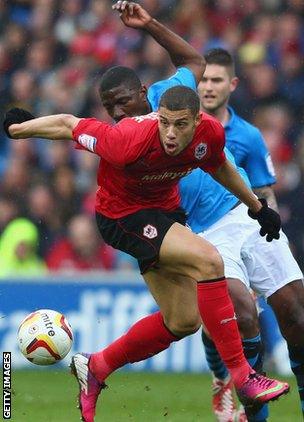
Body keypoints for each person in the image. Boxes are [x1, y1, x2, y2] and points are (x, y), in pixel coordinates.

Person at [4, 86, 288, 422]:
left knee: (183, 320)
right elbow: (69, 124)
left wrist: (257, 208)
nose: (170, 133)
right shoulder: (128, 140)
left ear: (198, 120)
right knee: (209, 260)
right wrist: (21, 129)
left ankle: (96, 366)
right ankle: (244, 377)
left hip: (164, 213)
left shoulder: (209, 133)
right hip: (121, 218)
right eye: (164, 123)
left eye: (180, 125)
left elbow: (219, 165)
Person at [193, 48, 304, 421]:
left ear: (231, 84)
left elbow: (264, 190)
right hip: (201, 235)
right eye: (203, 79)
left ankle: (239, 389)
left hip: (246, 223)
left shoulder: (248, 137)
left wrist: (273, 231)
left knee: (294, 314)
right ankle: (223, 380)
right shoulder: (176, 127)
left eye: (216, 80)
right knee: (231, 317)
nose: (208, 87)